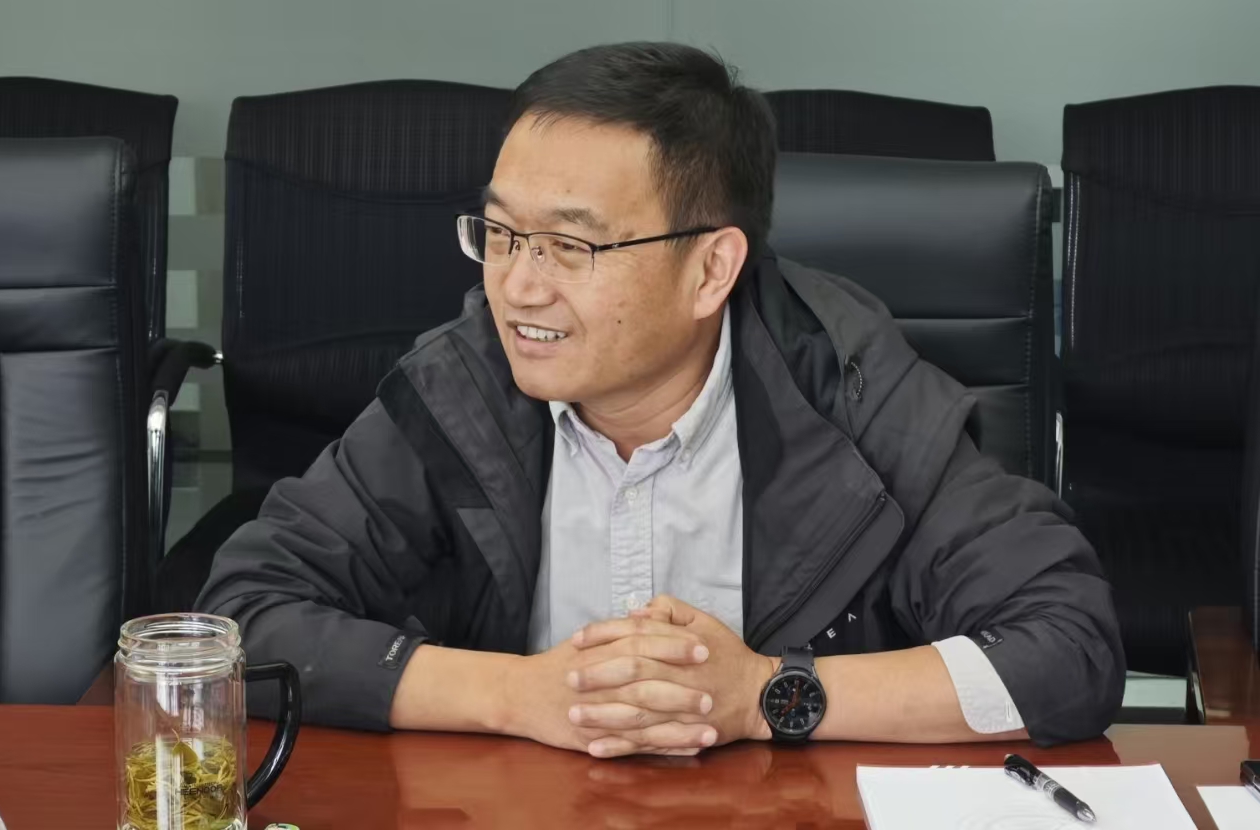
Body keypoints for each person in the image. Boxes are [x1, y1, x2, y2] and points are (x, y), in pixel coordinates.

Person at [197, 42, 1124, 757]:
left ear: (712, 268)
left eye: (571, 246)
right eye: (502, 234)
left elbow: (1070, 649)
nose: (518, 288)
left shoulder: (852, 394)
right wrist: (519, 694)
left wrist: (765, 696)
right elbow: (241, 619)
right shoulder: (464, 386)